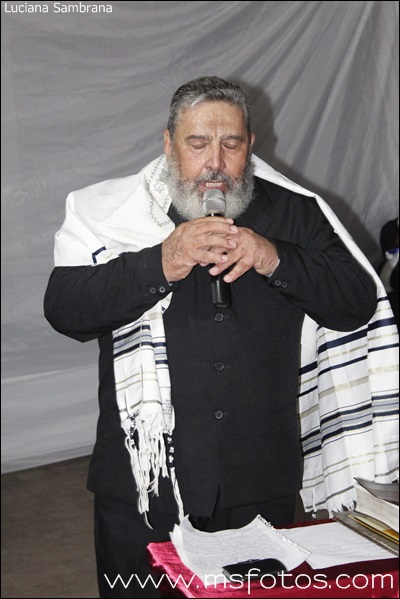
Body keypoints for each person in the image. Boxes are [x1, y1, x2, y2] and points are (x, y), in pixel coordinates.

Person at [44, 76, 384, 598]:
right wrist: (162, 262)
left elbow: (355, 304)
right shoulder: (114, 216)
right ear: (168, 143)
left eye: (231, 144)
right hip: (143, 484)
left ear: (251, 145)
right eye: (198, 143)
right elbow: (66, 310)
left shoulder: (295, 212)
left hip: (258, 484)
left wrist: (275, 258)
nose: (215, 163)